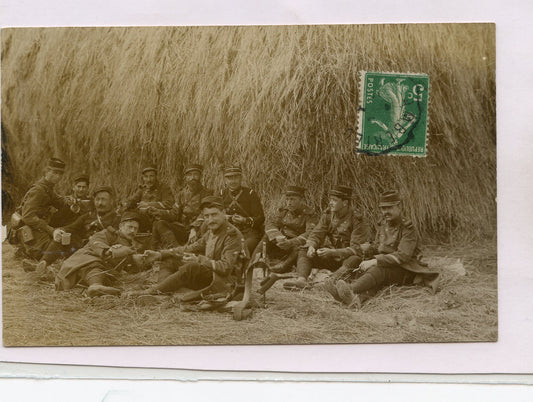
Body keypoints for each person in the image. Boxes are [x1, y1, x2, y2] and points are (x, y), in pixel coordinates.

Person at [327, 190, 440, 307]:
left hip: (405, 269)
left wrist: (375, 261)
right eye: (383, 208)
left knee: (378, 269)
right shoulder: (383, 224)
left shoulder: (408, 228)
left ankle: (350, 290)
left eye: (389, 208)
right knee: (356, 259)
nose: (385, 212)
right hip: (387, 265)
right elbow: (379, 246)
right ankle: (354, 299)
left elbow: (403, 256)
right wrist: (367, 249)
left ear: (399, 206)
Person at [132, 196, 247, 298]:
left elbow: (226, 267)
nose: (210, 220)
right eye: (206, 216)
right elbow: (189, 248)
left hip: (226, 282)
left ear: (224, 213)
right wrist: (160, 254)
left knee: (191, 267)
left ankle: (153, 291)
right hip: (211, 273)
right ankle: (163, 289)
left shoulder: (231, 235)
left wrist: (199, 260)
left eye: (214, 214)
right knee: (170, 260)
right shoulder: (212, 231)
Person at [283, 185, 369, 290]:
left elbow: (356, 249)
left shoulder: (357, 219)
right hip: (332, 256)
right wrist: (312, 246)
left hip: (346, 259)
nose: (330, 203)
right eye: (330, 200)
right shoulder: (328, 215)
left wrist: (333, 252)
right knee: (304, 249)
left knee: (355, 259)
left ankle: (329, 283)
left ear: (345, 203)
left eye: (334, 200)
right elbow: (316, 234)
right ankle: (301, 281)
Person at [24, 186, 121, 275]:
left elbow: (119, 238)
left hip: (101, 252)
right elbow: (72, 227)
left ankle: (55, 271)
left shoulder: (117, 219)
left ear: (111, 201)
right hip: (82, 248)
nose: (100, 203)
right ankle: (43, 263)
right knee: (63, 235)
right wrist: (59, 231)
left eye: (103, 200)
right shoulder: (89, 215)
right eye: (97, 199)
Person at [55, 212, 143, 297]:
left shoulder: (130, 247)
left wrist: (141, 259)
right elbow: (96, 243)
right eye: (130, 227)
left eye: (136, 229)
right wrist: (108, 251)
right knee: (95, 264)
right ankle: (95, 286)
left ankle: (97, 288)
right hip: (75, 268)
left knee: (106, 274)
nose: (132, 231)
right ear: (121, 226)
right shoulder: (107, 233)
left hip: (94, 277)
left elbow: (126, 266)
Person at [18, 158, 75, 265]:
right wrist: (51, 230)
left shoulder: (48, 188)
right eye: (54, 172)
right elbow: (28, 217)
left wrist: (69, 201)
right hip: (29, 228)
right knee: (53, 252)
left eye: (60, 174)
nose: (58, 176)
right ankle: (26, 252)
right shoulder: (39, 190)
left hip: (38, 225)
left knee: (61, 247)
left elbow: (58, 200)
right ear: (47, 171)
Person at [254, 185, 317, 273]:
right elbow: (271, 224)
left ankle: (282, 267)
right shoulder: (284, 211)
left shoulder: (309, 214)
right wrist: (277, 236)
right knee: (266, 238)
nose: (289, 203)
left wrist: (291, 242)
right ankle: (254, 262)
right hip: (282, 241)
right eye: (287, 199)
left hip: (295, 244)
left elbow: (311, 233)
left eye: (292, 199)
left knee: (301, 248)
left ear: (301, 200)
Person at [151, 164, 212, 248]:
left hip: (199, 229)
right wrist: (159, 212)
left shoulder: (207, 193)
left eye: (195, 174)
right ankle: (175, 248)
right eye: (189, 175)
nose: (192, 178)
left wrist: (194, 228)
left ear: (200, 176)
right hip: (183, 228)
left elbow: (205, 213)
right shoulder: (181, 194)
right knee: (159, 223)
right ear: (186, 178)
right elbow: (174, 214)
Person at [220, 166, 264, 255]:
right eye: (230, 178)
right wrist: (226, 217)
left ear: (241, 178)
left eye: (236, 177)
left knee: (243, 249)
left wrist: (244, 220)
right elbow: (215, 214)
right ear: (225, 180)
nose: (233, 181)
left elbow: (260, 218)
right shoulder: (221, 194)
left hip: (249, 232)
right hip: (228, 231)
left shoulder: (250, 194)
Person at [122, 165, 173, 232]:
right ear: (143, 178)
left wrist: (148, 204)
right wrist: (126, 203)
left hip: (157, 218)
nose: (149, 180)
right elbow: (133, 199)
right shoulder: (142, 189)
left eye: (151, 176)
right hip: (143, 218)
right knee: (126, 214)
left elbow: (168, 204)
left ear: (156, 177)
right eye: (146, 177)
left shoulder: (164, 188)